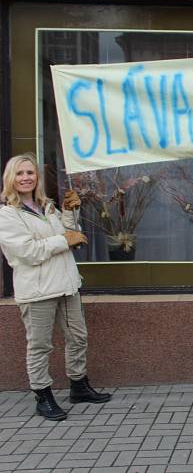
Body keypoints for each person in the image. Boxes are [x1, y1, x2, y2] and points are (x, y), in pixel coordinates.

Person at [0, 153, 111, 421]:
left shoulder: (47, 207)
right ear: (10, 179)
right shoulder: (8, 214)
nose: (26, 178)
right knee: (39, 346)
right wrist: (64, 240)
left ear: (37, 177)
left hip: (67, 284)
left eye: (30, 173)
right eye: (20, 173)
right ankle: (43, 395)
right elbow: (28, 252)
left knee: (78, 337)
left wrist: (71, 210)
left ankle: (79, 386)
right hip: (38, 291)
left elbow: (69, 232)